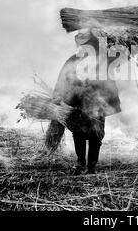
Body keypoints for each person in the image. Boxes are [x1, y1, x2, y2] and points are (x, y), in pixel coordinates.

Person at [48, 29, 121, 175]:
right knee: (78, 132)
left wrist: (113, 41)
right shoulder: (74, 60)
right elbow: (63, 78)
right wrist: (57, 94)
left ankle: (91, 166)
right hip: (78, 101)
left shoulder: (103, 58)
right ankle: (81, 163)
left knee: (96, 132)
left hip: (99, 101)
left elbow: (119, 56)